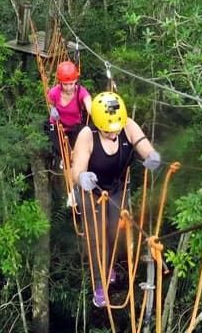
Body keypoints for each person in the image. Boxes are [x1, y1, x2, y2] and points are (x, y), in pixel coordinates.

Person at [70, 91, 161, 307]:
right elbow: (77, 168)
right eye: (108, 131)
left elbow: (142, 143)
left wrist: (152, 156)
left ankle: (108, 266)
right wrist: (82, 177)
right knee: (96, 237)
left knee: (113, 233)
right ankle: (99, 285)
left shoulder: (126, 125)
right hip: (90, 191)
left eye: (116, 129)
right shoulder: (87, 135)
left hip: (114, 190)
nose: (114, 133)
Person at [46, 61, 92, 166]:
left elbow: (89, 105)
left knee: (78, 148)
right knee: (61, 149)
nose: (68, 88)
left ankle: (75, 165)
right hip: (57, 125)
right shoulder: (54, 92)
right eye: (65, 84)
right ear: (60, 82)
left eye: (71, 83)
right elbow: (50, 103)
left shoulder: (81, 92)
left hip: (74, 127)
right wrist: (52, 109)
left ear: (76, 81)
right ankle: (62, 158)